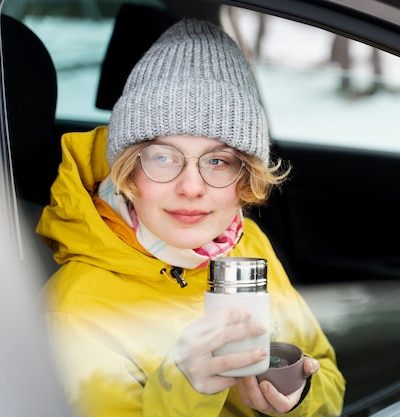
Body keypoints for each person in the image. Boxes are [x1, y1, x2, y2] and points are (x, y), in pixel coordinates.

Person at [36, 18, 345, 417]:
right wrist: (186, 387)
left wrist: (297, 399)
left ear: (246, 177)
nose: (191, 187)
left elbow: (328, 377)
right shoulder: (76, 309)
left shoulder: (248, 244)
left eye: (218, 161)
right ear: (128, 171)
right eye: (163, 158)